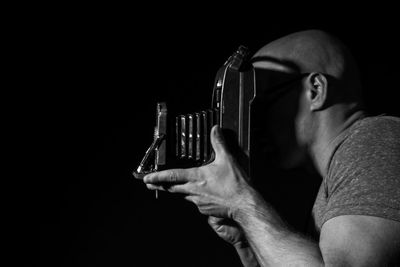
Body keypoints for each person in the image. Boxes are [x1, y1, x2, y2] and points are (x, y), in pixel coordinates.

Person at [143, 30, 400, 266]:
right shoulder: (342, 173)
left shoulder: (376, 139)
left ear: (315, 90)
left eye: (260, 103)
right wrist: (249, 242)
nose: (253, 124)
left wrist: (240, 202)